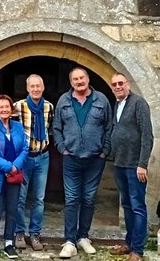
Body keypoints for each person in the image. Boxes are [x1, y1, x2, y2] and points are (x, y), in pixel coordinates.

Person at [53, 67, 112, 258]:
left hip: (95, 159)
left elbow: (109, 127)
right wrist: (63, 148)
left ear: (88, 79)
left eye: (82, 78)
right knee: (71, 199)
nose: (79, 81)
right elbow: (57, 128)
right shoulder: (64, 101)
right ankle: (69, 241)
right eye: (75, 79)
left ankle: (83, 237)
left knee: (88, 198)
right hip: (71, 159)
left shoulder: (101, 100)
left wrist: (105, 151)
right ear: (71, 83)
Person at [109, 72, 153, 261]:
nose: (117, 87)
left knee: (137, 207)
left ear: (127, 84)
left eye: (120, 83)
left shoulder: (138, 103)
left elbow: (147, 135)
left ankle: (138, 251)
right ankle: (129, 243)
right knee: (126, 205)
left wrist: (142, 164)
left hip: (135, 166)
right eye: (114, 84)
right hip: (119, 163)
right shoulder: (117, 105)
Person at [0, 94, 28, 259]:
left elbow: (24, 148)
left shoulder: (18, 127)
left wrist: (15, 166)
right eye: (1, 107)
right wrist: (8, 167)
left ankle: (9, 242)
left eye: (7, 107)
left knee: (12, 210)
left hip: (14, 176)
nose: (4, 109)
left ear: (11, 110)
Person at [13, 74, 54, 251]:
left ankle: (35, 234)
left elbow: (50, 128)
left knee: (39, 198)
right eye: (32, 86)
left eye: (39, 86)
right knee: (20, 197)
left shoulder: (49, 107)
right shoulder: (18, 106)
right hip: (24, 158)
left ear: (43, 87)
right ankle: (19, 232)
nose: (36, 89)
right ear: (27, 88)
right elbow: (12, 131)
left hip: (43, 156)